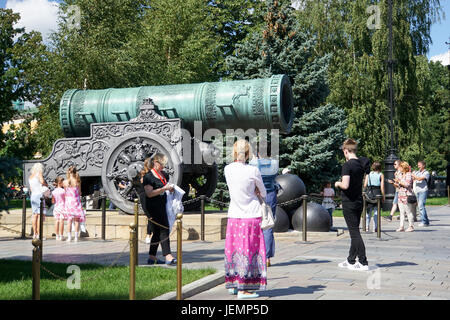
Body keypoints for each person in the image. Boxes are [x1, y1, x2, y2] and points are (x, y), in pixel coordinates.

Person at [224, 139, 267, 299]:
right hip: (251, 215)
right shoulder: (253, 171)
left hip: (234, 214)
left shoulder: (227, 169)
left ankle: (234, 283)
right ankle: (243, 289)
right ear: (248, 154)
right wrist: (255, 190)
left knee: (234, 250)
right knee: (249, 251)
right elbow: (263, 192)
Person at [335, 138, 370, 271]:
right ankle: (351, 260)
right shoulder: (361, 164)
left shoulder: (347, 165)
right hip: (359, 201)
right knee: (354, 231)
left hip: (349, 202)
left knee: (354, 233)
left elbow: (345, 185)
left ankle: (363, 261)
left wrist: (337, 183)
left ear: (346, 151)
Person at [143, 153, 176, 265]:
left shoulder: (164, 175)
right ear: (156, 163)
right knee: (164, 229)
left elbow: (164, 188)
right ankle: (168, 256)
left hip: (163, 205)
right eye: (162, 164)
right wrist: (163, 189)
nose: (163, 167)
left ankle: (152, 257)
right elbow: (149, 193)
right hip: (153, 207)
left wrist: (169, 189)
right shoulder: (149, 176)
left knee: (157, 232)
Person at [249, 155, 279, 267]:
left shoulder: (253, 164)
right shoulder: (274, 163)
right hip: (270, 195)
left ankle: (256, 255)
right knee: (268, 225)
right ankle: (267, 258)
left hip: (257, 196)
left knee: (255, 225)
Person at [64, 166, 86, 242]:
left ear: (68, 172)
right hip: (76, 201)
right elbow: (79, 192)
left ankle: (69, 237)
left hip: (68, 202)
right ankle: (76, 237)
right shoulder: (77, 181)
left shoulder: (65, 182)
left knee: (69, 221)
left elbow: (65, 193)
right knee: (77, 220)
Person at [363, 162, 385, 232]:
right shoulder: (381, 175)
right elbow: (382, 187)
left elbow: (365, 185)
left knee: (368, 211)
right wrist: (383, 196)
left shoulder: (368, 174)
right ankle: (376, 227)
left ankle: (366, 227)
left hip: (369, 193)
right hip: (377, 192)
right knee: (376, 211)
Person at [395, 161, 415, 232]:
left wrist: (399, 182)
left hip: (406, 195)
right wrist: (396, 183)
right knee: (401, 212)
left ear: (404, 167)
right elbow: (400, 184)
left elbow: (407, 184)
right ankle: (401, 226)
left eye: (401, 166)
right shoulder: (401, 174)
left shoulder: (408, 174)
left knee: (408, 211)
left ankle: (411, 226)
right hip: (400, 194)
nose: (399, 168)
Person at [29, 163, 46, 239]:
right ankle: (39, 234)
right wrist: (45, 184)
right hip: (39, 195)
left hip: (33, 195)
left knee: (34, 214)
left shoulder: (31, 176)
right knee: (39, 215)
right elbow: (42, 182)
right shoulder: (39, 174)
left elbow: (31, 188)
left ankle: (34, 233)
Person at [412, 161, 430, 226]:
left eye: (419, 165)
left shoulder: (426, 173)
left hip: (423, 191)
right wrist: (413, 175)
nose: (418, 166)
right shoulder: (417, 172)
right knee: (420, 206)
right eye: (418, 165)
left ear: (423, 165)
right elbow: (414, 179)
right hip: (417, 191)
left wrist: (414, 175)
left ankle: (424, 222)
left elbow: (420, 179)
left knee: (421, 206)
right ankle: (426, 221)